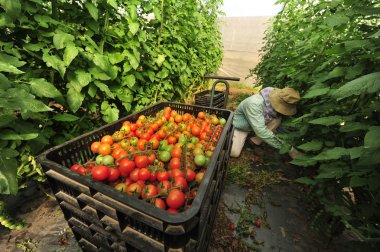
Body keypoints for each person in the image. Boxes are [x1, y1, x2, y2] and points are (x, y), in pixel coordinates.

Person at [230, 86, 302, 159]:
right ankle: (237, 135)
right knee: (234, 153)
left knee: (277, 119)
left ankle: (253, 141)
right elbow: (261, 131)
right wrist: (288, 148)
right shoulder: (254, 104)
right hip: (242, 128)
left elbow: (282, 127)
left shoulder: (274, 98)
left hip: (257, 125)